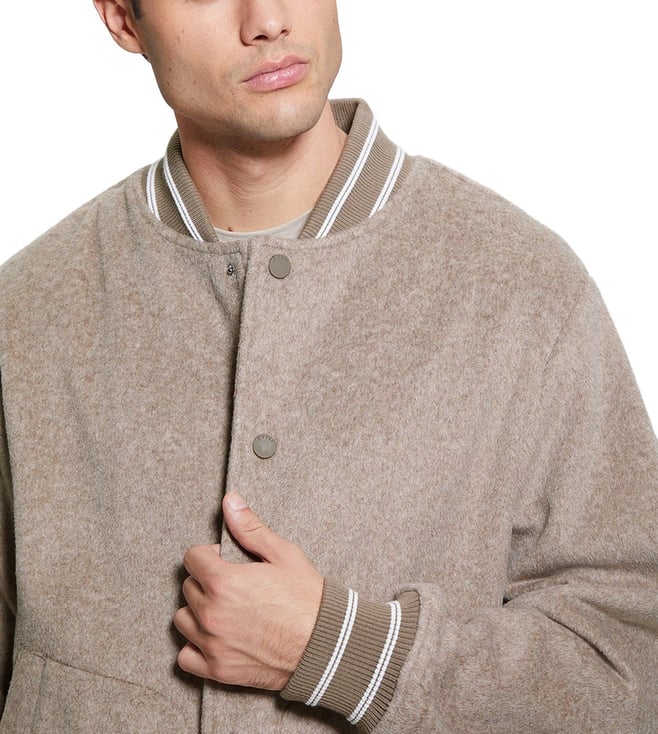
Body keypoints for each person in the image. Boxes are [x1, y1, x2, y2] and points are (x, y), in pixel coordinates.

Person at [0, 0, 656, 732]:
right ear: (125, 20)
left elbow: (632, 662)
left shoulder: (524, 289)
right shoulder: (27, 311)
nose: (267, 18)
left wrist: (346, 652)